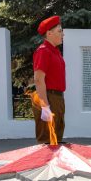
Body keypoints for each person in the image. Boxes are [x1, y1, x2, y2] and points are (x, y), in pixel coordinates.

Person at [32, 15, 66, 144]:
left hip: (57, 98)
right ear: (49, 33)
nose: (62, 34)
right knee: (47, 140)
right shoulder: (43, 51)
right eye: (59, 31)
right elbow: (39, 79)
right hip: (48, 97)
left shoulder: (55, 51)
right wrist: (45, 106)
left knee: (56, 139)